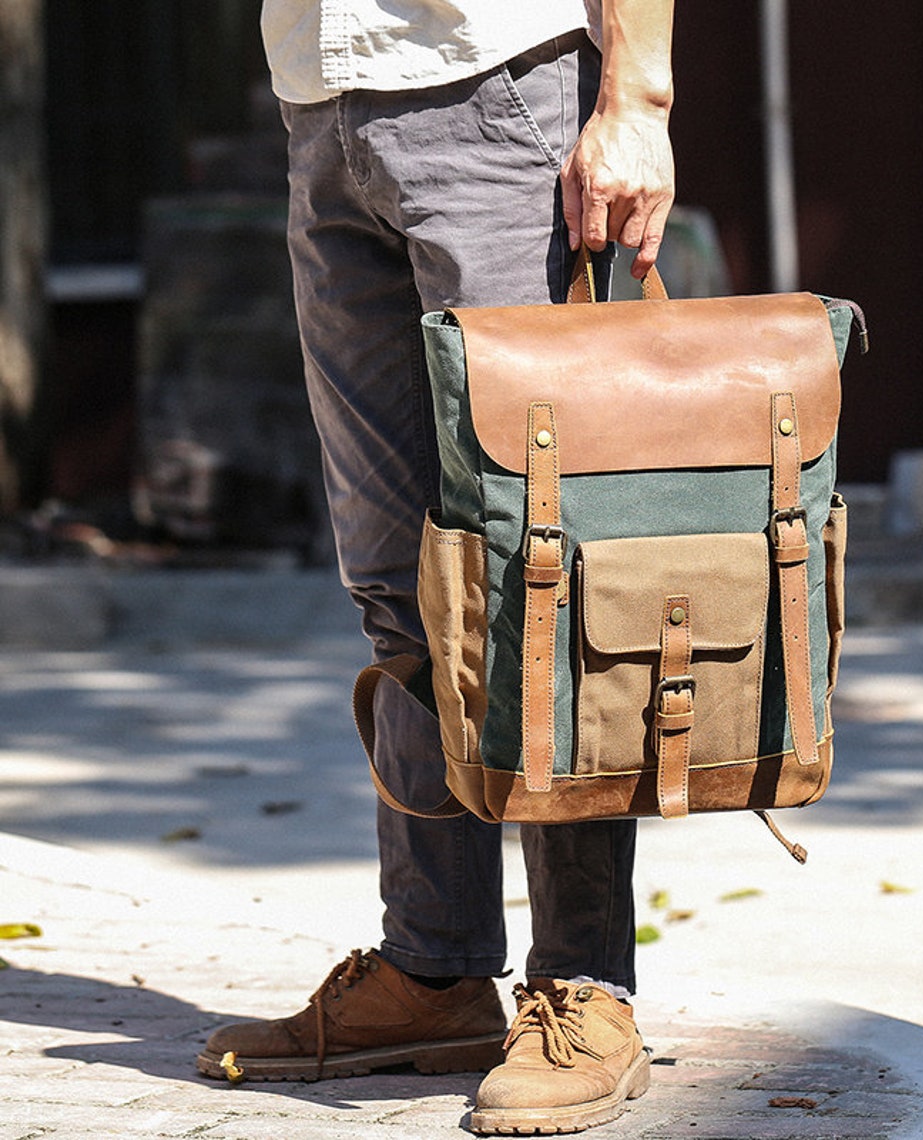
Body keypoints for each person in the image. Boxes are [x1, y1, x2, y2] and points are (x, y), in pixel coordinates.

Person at [195, 1, 675, 1133]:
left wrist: (636, 98)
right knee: (401, 580)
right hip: (322, 102)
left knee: (538, 575)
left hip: (499, 89)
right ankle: (437, 969)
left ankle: (585, 987)